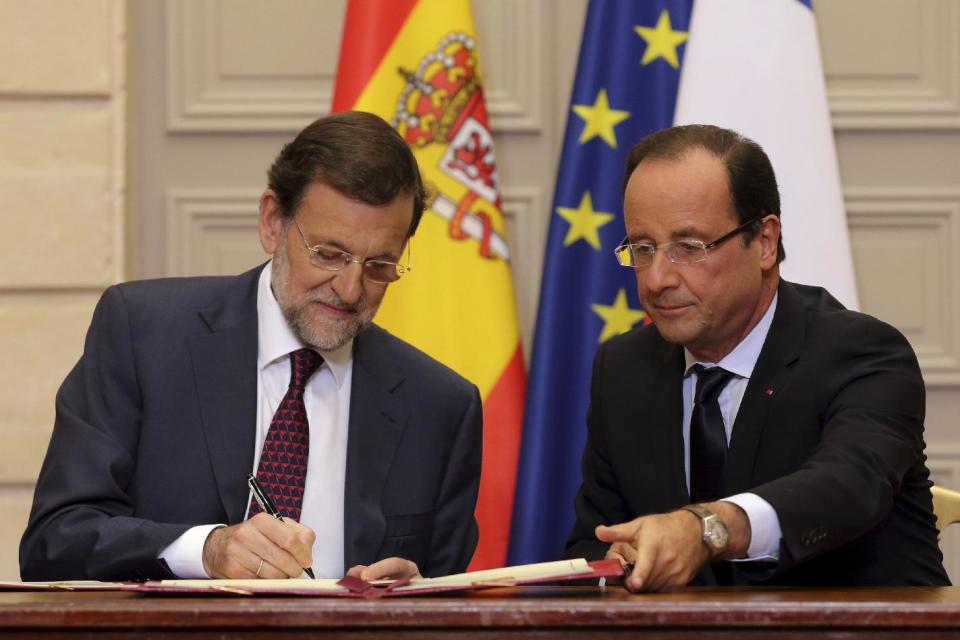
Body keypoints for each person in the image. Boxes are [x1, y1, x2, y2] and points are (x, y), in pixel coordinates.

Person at [20, 111, 482, 583]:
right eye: (328, 254)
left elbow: (450, 601)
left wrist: (418, 594)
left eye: (380, 265)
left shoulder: (441, 406)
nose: (349, 289)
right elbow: (55, 541)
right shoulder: (144, 335)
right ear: (271, 223)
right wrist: (205, 550)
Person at [565, 124, 949, 590]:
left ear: (764, 242)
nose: (657, 278)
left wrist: (706, 529)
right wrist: (620, 565)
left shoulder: (862, 354)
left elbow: (846, 487)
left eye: (688, 247)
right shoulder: (624, 369)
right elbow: (590, 548)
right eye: (643, 249)